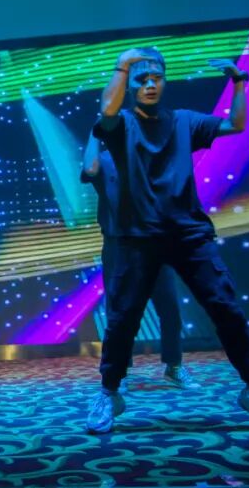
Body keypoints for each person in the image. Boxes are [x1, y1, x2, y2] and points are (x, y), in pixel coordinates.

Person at [85, 49, 249, 434]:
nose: (150, 85)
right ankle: (109, 393)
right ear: (129, 85)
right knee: (122, 319)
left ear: (165, 81)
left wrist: (239, 82)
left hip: (188, 233)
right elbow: (107, 110)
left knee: (225, 307)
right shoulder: (120, 124)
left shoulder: (184, 121)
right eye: (141, 79)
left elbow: (235, 124)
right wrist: (123, 64)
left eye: (156, 78)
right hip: (136, 238)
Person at [82, 134, 197, 391]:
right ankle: (119, 371)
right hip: (119, 247)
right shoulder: (105, 161)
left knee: (170, 309)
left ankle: (174, 366)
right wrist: (95, 133)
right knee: (119, 313)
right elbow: (89, 169)